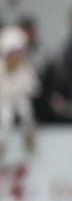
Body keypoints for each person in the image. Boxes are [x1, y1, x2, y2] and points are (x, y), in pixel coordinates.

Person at [0, 26, 40, 156]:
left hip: (20, 98)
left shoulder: (25, 68)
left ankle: (29, 138)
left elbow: (35, 89)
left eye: (16, 53)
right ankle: (1, 144)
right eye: (10, 54)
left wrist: (27, 90)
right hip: (5, 100)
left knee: (26, 110)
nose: (13, 57)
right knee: (5, 118)